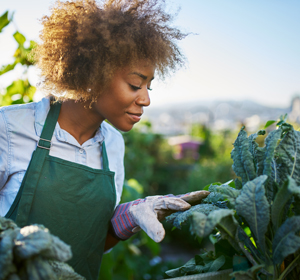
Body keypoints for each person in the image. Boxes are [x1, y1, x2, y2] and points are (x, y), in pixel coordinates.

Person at [0, 0, 209, 279]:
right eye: (135, 85)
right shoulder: (10, 128)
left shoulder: (113, 144)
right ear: (92, 73)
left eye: (149, 85)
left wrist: (130, 218)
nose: (146, 99)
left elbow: (93, 244)